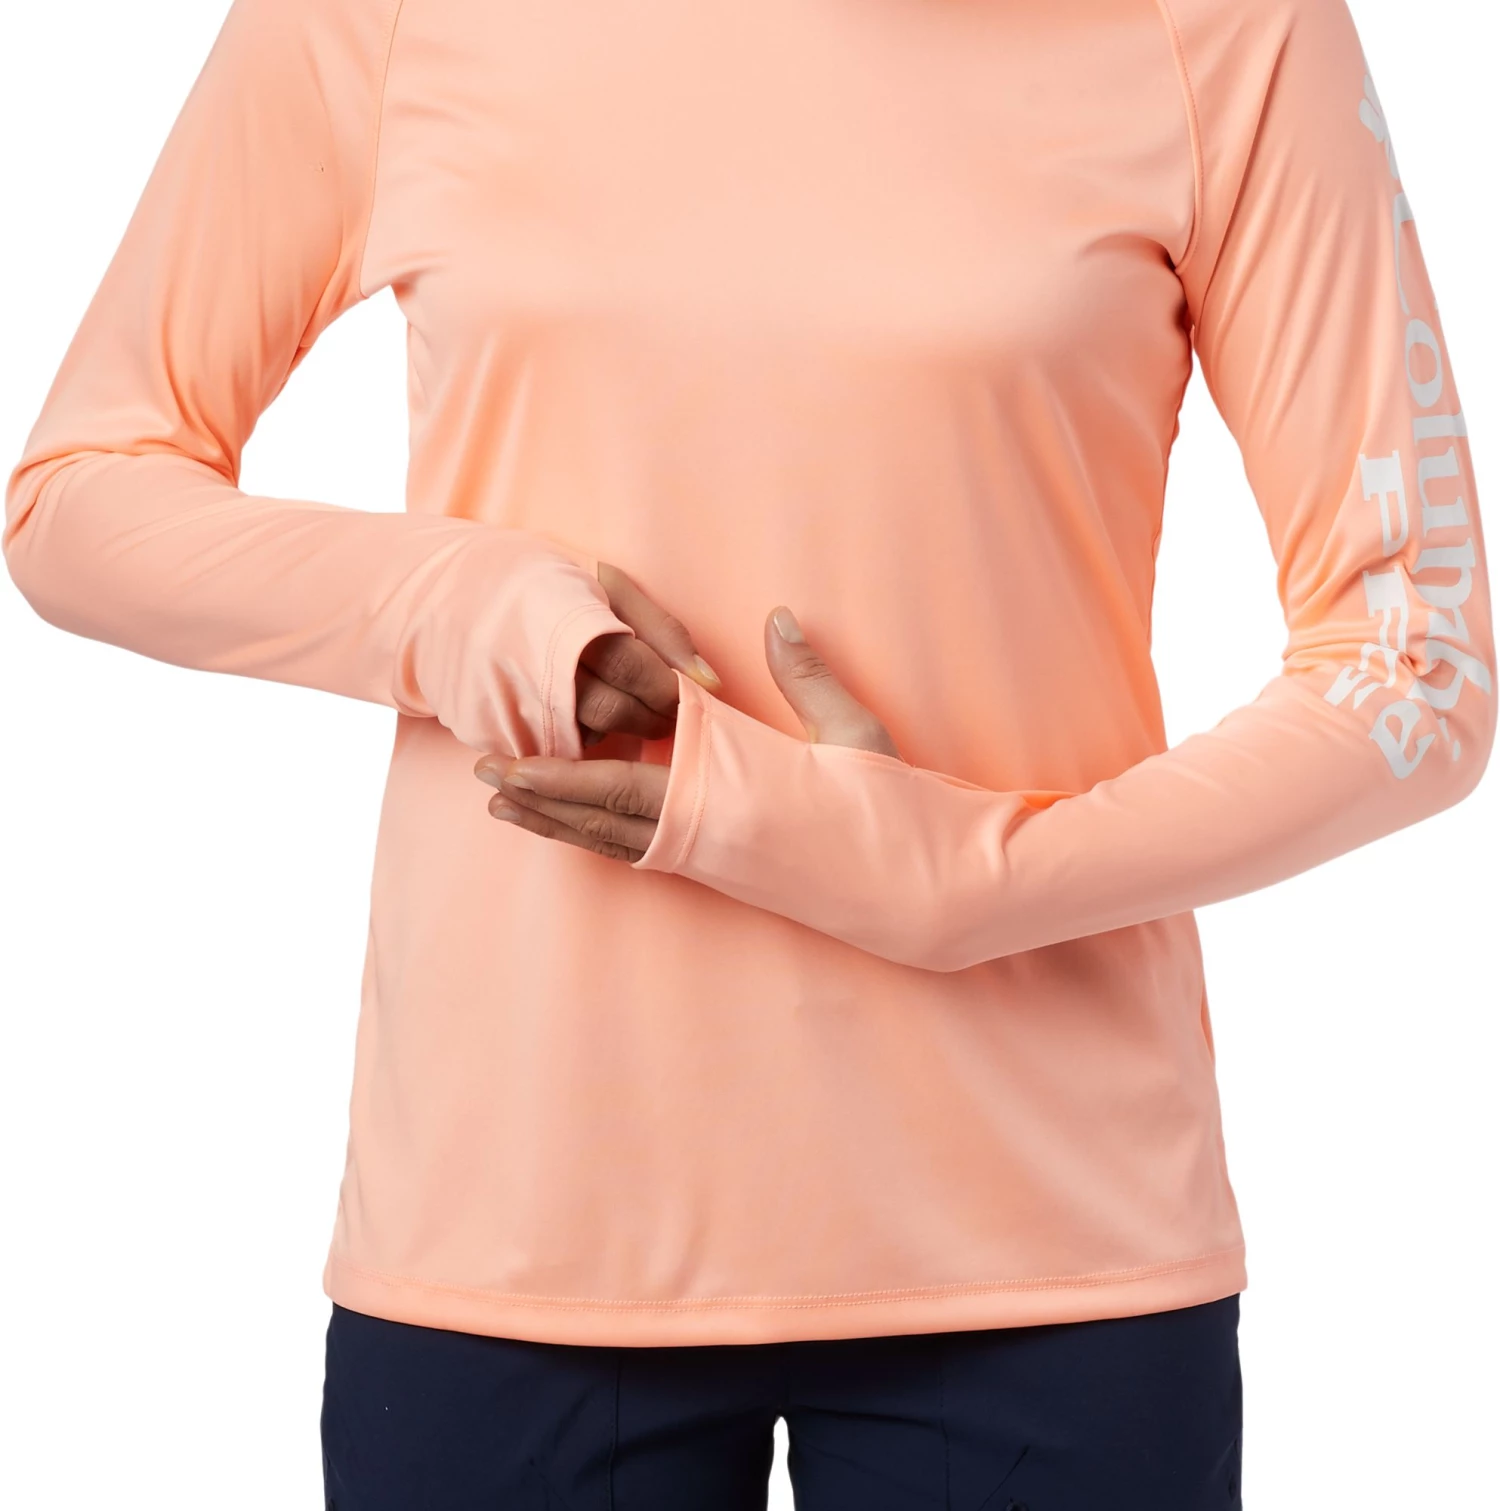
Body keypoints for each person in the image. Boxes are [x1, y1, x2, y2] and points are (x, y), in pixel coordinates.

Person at [4, 0, 1492, 1505]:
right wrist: (461, 604)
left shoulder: (1229, 27)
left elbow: (1419, 665)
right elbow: (78, 497)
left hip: (1043, 1224)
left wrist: (977, 877)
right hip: (521, 1211)